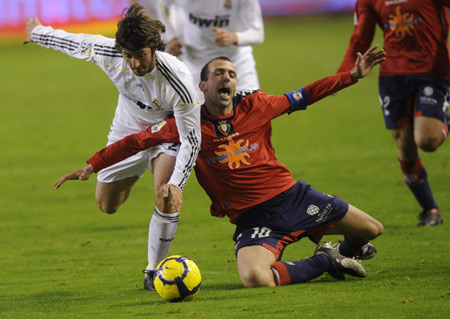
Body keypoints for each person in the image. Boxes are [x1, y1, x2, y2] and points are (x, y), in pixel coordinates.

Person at [54, 49, 385, 288]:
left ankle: (341, 251)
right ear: (202, 87)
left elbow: (306, 95)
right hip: (254, 218)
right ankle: (324, 260)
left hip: (291, 196)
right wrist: (92, 165)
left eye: (231, 73)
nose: (226, 78)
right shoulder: (188, 122)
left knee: (371, 229)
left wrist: (352, 76)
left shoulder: (257, 104)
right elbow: (137, 141)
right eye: (218, 74)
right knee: (255, 278)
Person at [23, 3, 201, 290]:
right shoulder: (110, 53)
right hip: (127, 128)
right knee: (107, 205)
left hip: (167, 132)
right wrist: (38, 33)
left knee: (165, 195)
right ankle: (138, 168)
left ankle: (153, 271)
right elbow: (76, 42)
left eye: (141, 56)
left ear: (154, 48)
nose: (135, 64)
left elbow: (191, 139)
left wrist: (178, 183)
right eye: (129, 56)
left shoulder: (178, 81)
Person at [337, 0, 450, 226]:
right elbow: (361, 36)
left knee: (427, 140)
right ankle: (430, 209)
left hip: (432, 70)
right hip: (392, 75)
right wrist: (343, 75)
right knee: (405, 145)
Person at [155, 0, 264, 99]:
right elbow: (162, 5)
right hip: (197, 69)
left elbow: (257, 33)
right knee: (198, 119)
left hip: (238, 67)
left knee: (252, 116)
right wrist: (171, 37)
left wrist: (234, 37)